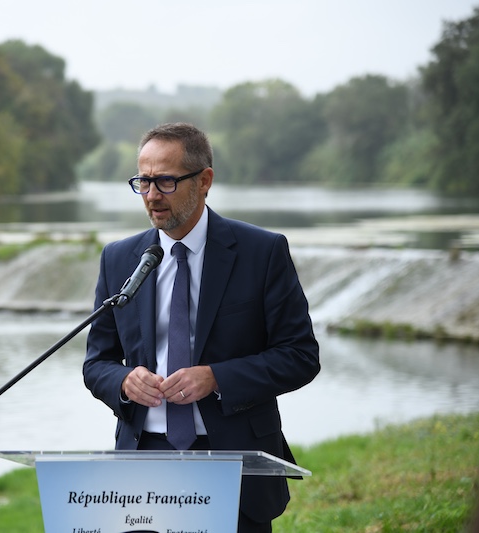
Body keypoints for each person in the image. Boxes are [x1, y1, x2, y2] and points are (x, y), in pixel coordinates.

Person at [83, 122, 320, 533]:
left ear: (204, 180)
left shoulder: (261, 253)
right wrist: (124, 381)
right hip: (144, 462)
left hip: (234, 461)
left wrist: (217, 377)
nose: (152, 195)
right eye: (143, 181)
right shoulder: (119, 258)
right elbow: (97, 362)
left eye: (166, 181)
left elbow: (300, 356)